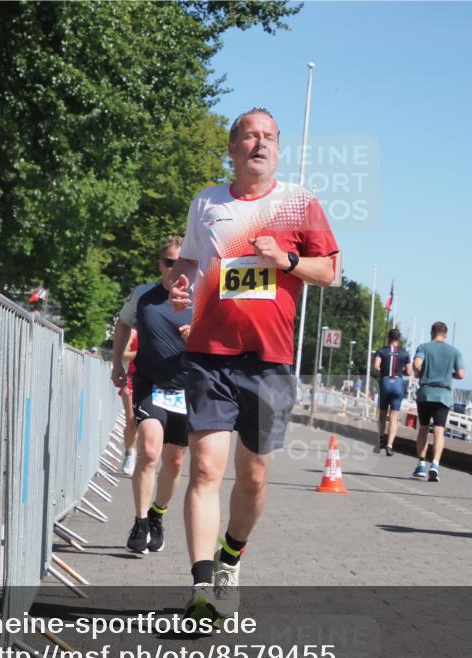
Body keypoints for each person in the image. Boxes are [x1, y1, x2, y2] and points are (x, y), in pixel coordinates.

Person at [170, 107, 339, 619]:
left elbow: (330, 271)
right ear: (232, 147)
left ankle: (231, 556)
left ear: (278, 149)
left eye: (268, 137)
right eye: (249, 136)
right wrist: (180, 287)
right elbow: (190, 265)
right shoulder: (207, 202)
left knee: (255, 476)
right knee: (204, 468)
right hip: (208, 353)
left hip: (268, 360)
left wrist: (283, 261)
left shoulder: (298, 204)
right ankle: (201, 589)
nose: (259, 144)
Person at [112, 236, 192, 554]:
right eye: (168, 262)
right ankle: (140, 520)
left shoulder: (202, 299)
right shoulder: (144, 295)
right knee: (149, 449)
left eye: (181, 262)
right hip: (149, 384)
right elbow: (122, 325)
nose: (174, 268)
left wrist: (197, 336)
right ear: (160, 264)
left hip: (187, 389)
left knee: (174, 460)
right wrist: (117, 362)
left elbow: (222, 342)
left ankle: (158, 514)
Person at [411, 322, 465, 482]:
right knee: (439, 430)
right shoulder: (454, 352)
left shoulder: (424, 347)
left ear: (431, 333)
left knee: (423, 428)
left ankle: (421, 465)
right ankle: (435, 464)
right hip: (443, 395)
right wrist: (450, 375)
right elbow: (461, 374)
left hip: (426, 393)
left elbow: (416, 365)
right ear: (445, 335)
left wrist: (421, 373)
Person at [372, 329, 411, 456]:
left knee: (383, 414)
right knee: (394, 416)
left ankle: (380, 439)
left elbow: (376, 366)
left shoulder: (382, 351)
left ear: (388, 338)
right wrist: (401, 372)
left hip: (385, 383)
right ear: (399, 339)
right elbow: (409, 372)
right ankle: (390, 445)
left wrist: (382, 372)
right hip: (398, 384)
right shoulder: (404, 353)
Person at [110, 321, 139, 476]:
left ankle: (145, 456)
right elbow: (123, 353)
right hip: (133, 380)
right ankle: (129, 452)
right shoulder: (134, 332)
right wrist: (141, 353)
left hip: (157, 380)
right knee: (132, 420)